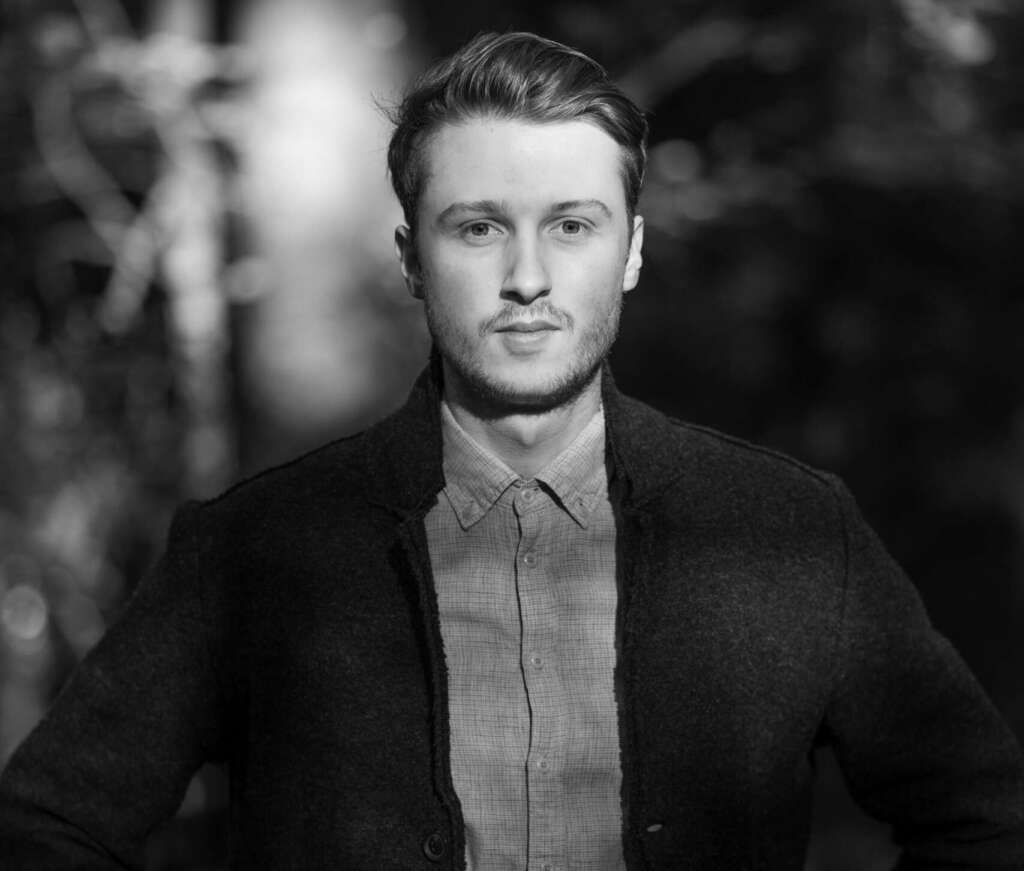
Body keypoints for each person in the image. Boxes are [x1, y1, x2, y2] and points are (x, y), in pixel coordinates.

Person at [1, 29, 1023, 871]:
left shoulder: (791, 533)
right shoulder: (254, 550)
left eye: (571, 226)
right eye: (479, 228)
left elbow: (985, 821)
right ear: (411, 257)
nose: (527, 277)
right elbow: (45, 826)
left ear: (630, 249)